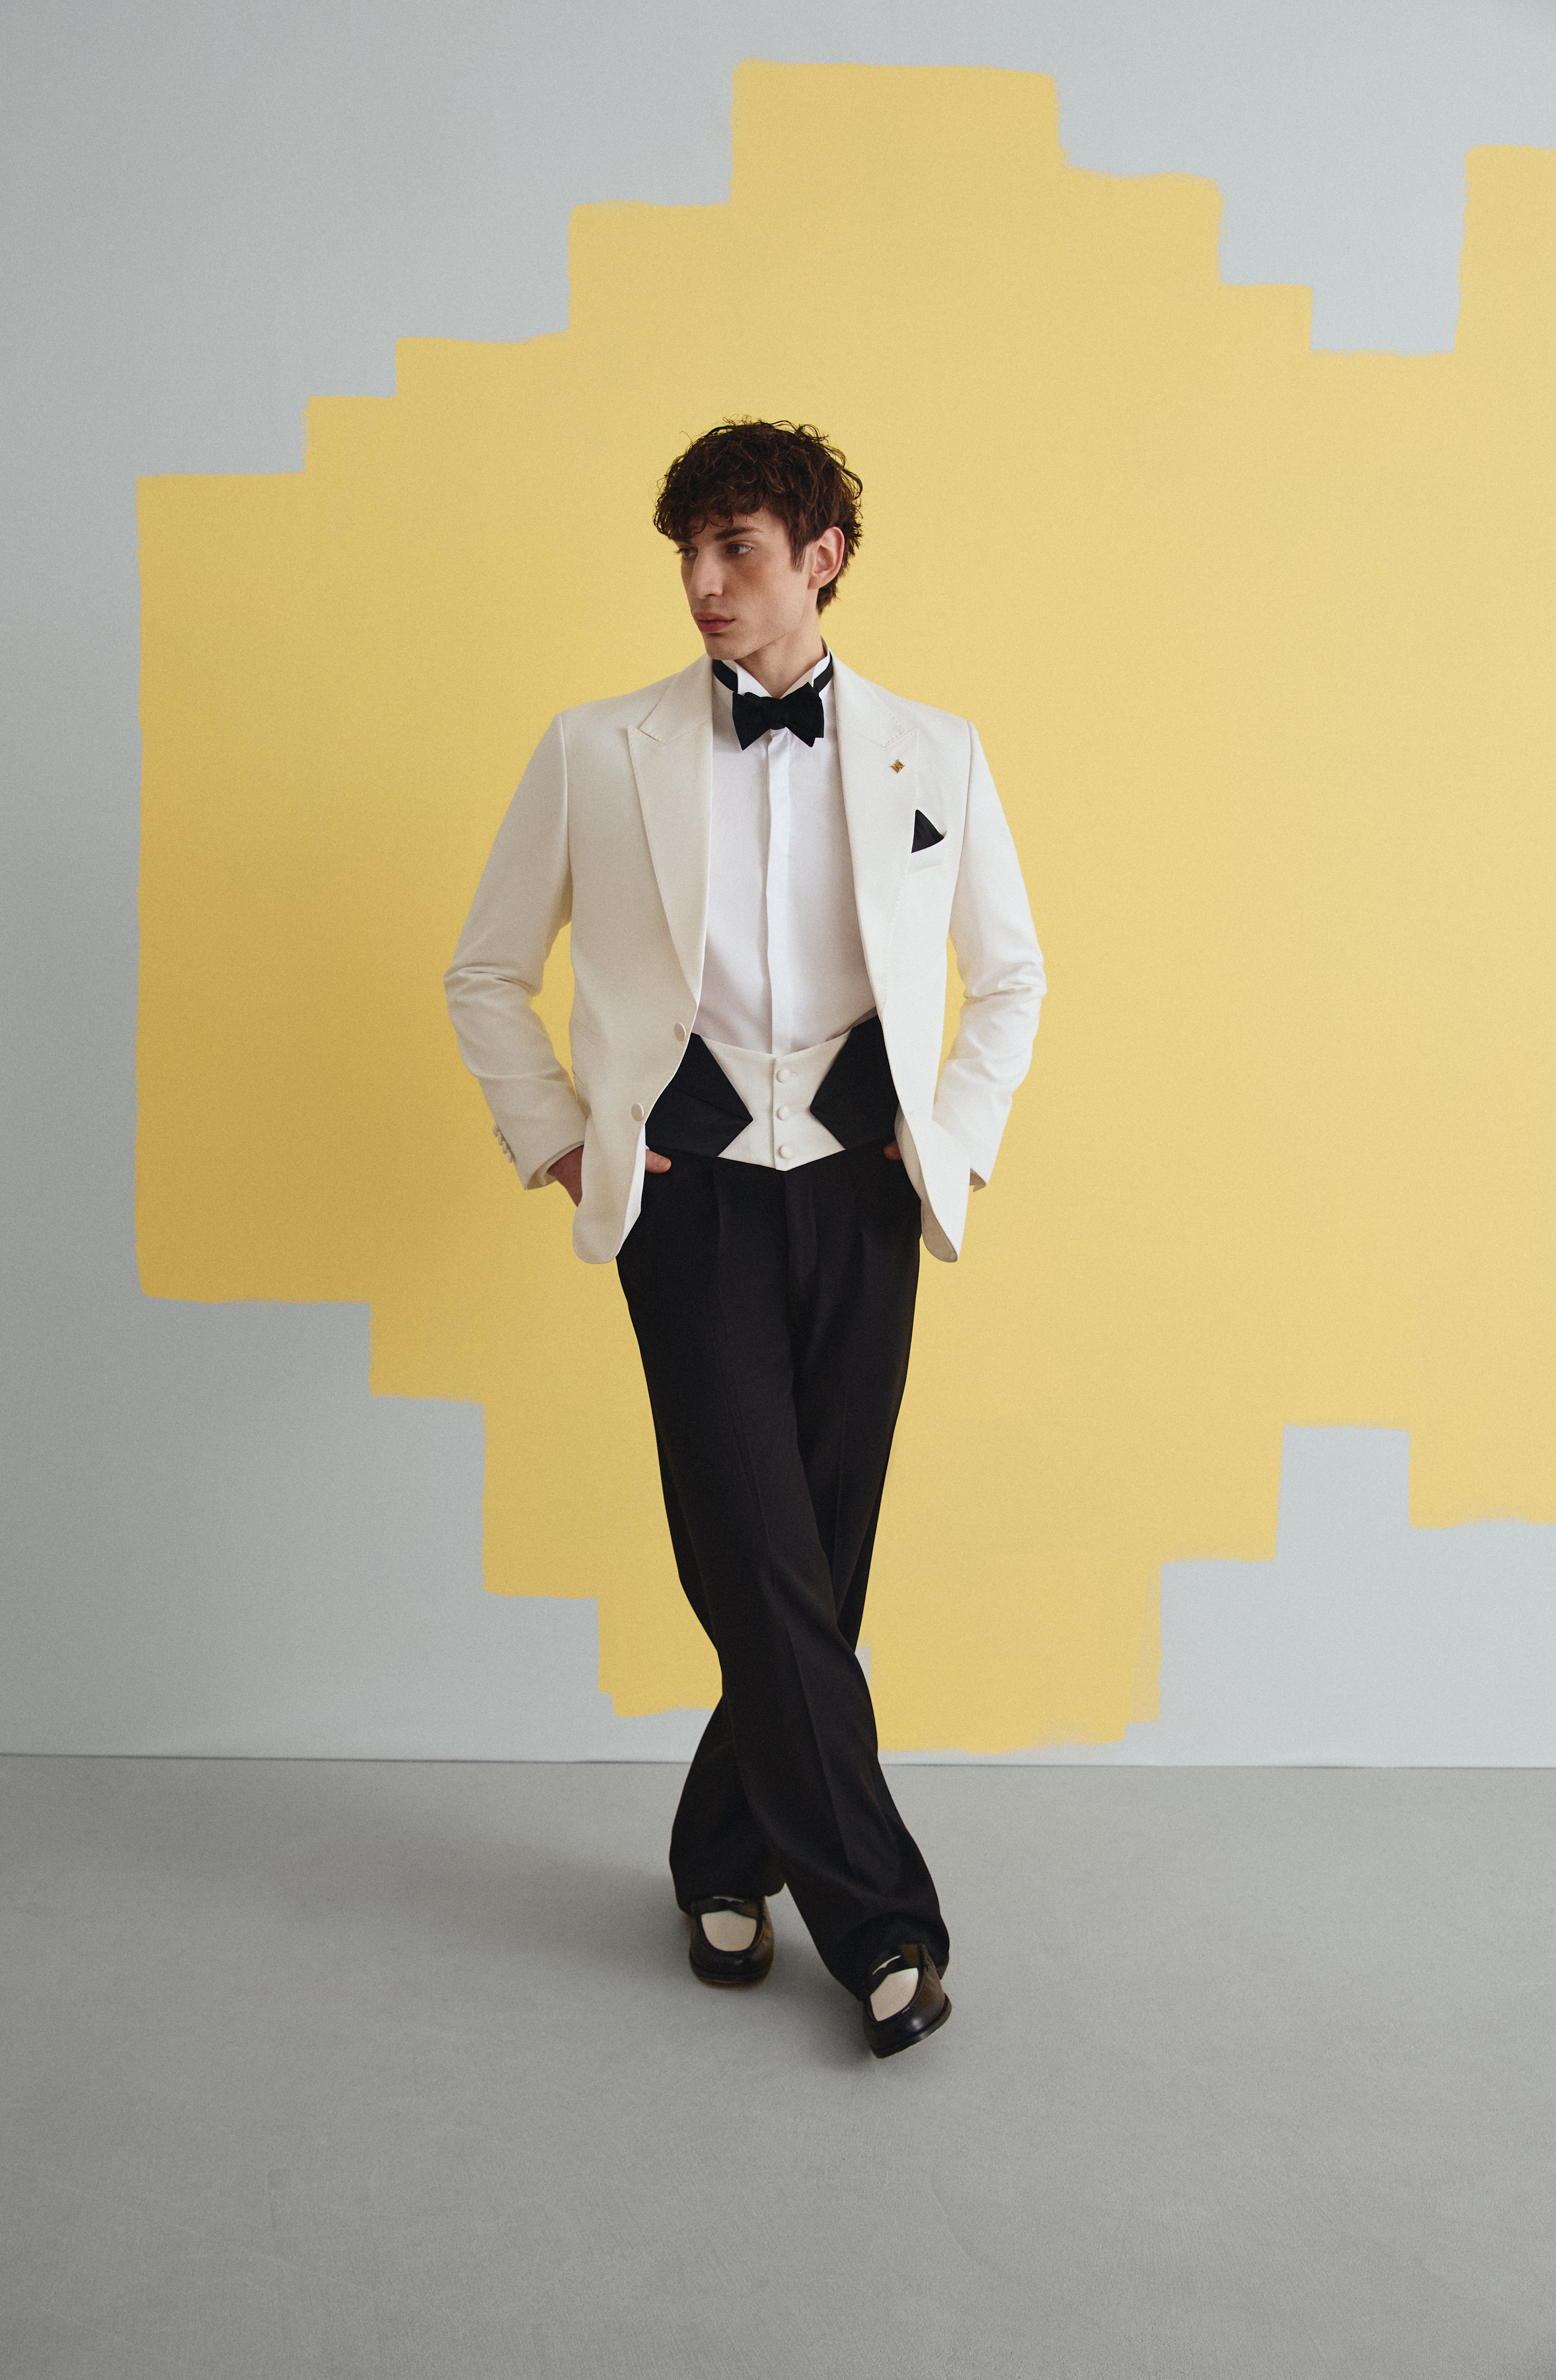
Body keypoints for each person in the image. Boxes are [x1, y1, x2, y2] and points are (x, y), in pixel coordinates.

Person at [444, 420, 1046, 2057]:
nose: (704, 583)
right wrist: (561, 1134)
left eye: (739, 550)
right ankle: (886, 1929)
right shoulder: (599, 747)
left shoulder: (937, 751)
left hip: (863, 1187)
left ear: (821, 558)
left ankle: (722, 1851)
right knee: (757, 1556)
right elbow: (486, 968)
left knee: (815, 1569)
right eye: (689, 553)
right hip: (689, 1190)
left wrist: (954, 1136)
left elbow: (1011, 976)